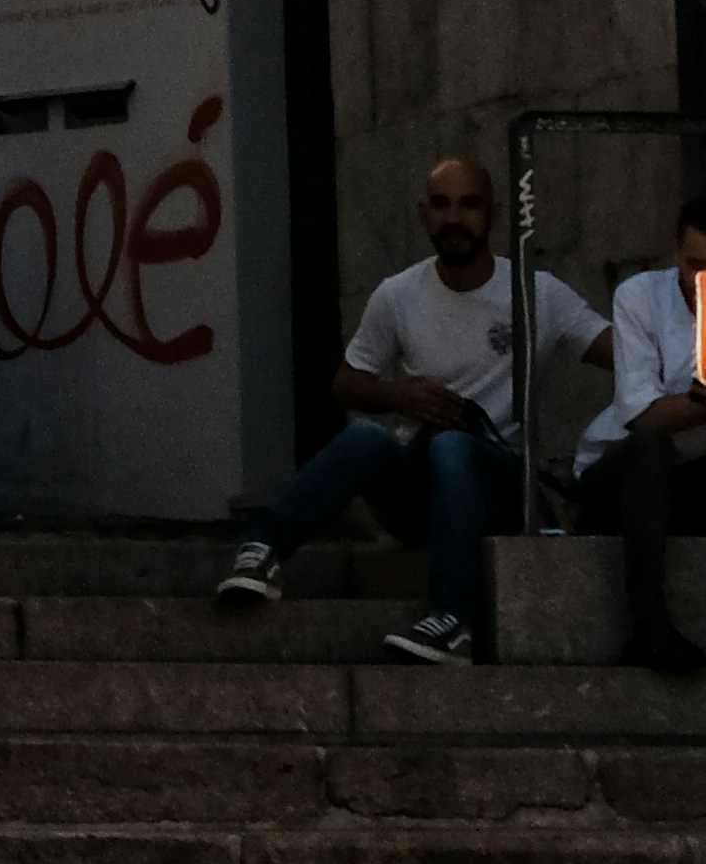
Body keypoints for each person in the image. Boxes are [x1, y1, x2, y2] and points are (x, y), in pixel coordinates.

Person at [213, 152, 602, 665]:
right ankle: (263, 549)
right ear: (423, 214)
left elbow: (618, 348)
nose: (454, 218)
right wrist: (402, 396)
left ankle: (454, 618)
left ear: (495, 213)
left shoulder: (535, 292)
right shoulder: (398, 295)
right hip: (421, 489)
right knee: (366, 438)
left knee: (453, 448)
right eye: (440, 205)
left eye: (469, 205)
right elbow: (346, 382)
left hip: (499, 483)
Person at [571, 199, 706, 681]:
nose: (701, 281)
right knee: (652, 447)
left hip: (686, 484)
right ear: (676, 254)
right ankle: (647, 624)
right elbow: (642, 418)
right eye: (696, 264)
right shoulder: (640, 297)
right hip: (617, 473)